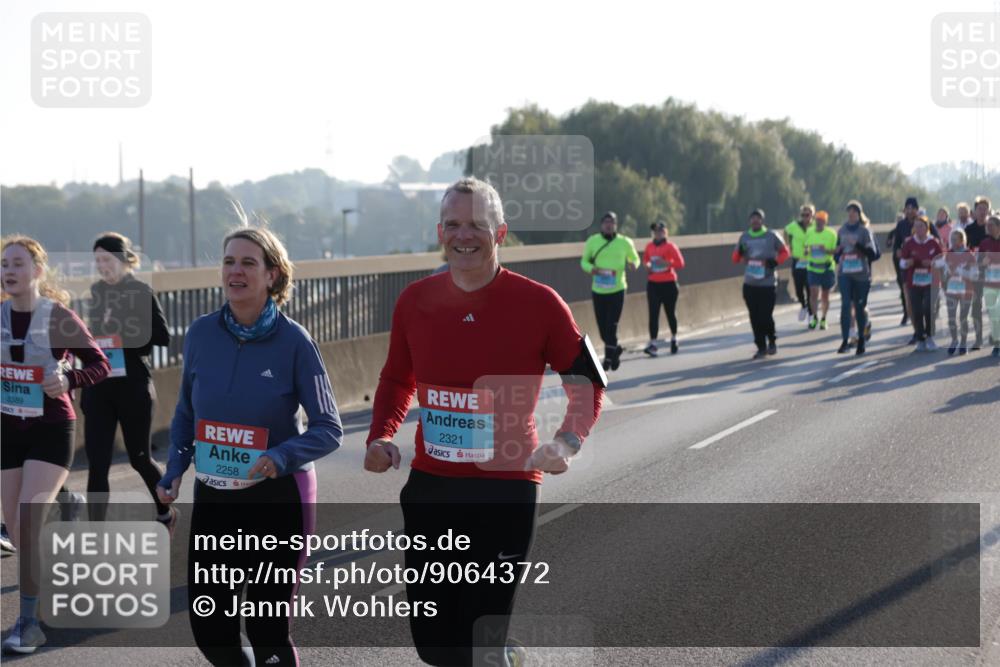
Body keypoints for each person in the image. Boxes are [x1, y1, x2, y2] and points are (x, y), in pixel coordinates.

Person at [364, 177, 605, 667]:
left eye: (477, 224)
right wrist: (381, 436)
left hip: (505, 491)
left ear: (500, 233)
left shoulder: (540, 303)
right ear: (440, 232)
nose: (464, 235)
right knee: (434, 646)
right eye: (453, 224)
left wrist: (566, 442)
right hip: (432, 487)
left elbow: (587, 383)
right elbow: (396, 379)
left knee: (476, 643)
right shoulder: (414, 301)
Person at [156, 220, 342, 666]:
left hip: (278, 498)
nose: (235, 271)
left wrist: (280, 456)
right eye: (228, 262)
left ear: (272, 274)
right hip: (216, 496)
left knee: (266, 628)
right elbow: (186, 413)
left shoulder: (294, 341)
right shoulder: (201, 333)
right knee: (212, 629)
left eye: (247, 263)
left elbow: (329, 427)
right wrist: (175, 469)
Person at [1, 236, 111, 654]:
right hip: (7, 429)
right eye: (4, 264)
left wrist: (68, 379)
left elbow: (99, 364)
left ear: (37, 270)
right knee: (17, 531)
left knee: (27, 521)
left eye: (18, 263)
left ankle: (29, 622)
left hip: (51, 427)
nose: (9, 271)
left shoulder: (58, 317)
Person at [82, 233, 173, 526]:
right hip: (100, 386)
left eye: (106, 259)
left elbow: (162, 336)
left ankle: (166, 512)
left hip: (132, 385)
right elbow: (95, 334)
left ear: (122, 259)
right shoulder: (97, 291)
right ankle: (95, 532)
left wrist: (122, 338)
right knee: (98, 463)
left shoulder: (140, 290)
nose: (101, 266)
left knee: (140, 458)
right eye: (97, 261)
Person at [580, 211, 640, 371]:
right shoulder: (593, 241)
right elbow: (584, 262)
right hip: (598, 290)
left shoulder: (625, 242)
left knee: (612, 326)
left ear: (615, 225)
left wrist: (634, 264)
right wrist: (591, 269)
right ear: (601, 225)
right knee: (603, 330)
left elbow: (635, 258)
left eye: (611, 222)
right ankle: (615, 350)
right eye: (606, 222)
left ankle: (607, 360)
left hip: (618, 289)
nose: (608, 225)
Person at [732, 209, 789, 359]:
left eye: (758, 218)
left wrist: (773, 262)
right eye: (753, 218)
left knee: (765, 315)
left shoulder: (771, 235)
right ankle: (761, 347)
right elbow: (735, 258)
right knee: (754, 316)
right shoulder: (745, 237)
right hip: (750, 283)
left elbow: (785, 252)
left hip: (767, 283)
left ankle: (772, 340)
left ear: (762, 220)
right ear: (749, 221)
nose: (755, 221)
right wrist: (740, 253)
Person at [836, 201, 880, 355]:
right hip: (845, 273)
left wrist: (857, 245)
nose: (851, 213)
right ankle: (845, 340)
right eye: (849, 211)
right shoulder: (841, 230)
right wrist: (838, 254)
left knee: (860, 308)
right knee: (845, 305)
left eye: (854, 211)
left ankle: (861, 339)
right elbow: (837, 253)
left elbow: (872, 254)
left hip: (861, 275)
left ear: (859, 214)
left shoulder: (864, 231)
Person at [899, 215, 944, 351]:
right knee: (917, 310)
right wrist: (908, 263)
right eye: (916, 226)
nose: (918, 229)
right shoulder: (909, 243)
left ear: (927, 228)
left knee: (928, 308)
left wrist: (932, 263)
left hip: (930, 281)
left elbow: (942, 261)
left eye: (921, 226)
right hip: (914, 282)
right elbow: (902, 262)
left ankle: (929, 336)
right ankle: (920, 338)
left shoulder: (933, 242)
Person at [642, 221, 686, 356]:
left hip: (669, 284)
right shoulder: (649, 246)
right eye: (656, 231)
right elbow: (645, 260)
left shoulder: (671, 246)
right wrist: (647, 266)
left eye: (661, 231)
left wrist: (666, 263)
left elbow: (680, 263)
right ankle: (653, 344)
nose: (658, 233)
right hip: (653, 284)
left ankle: (674, 338)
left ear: (665, 232)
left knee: (670, 313)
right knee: (653, 314)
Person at [938, 228, 976, 355]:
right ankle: (954, 340)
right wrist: (944, 285)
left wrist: (960, 271)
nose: (952, 242)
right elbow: (944, 273)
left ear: (962, 240)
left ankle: (963, 343)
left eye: (955, 239)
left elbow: (974, 275)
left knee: (963, 317)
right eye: (951, 239)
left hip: (966, 290)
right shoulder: (948, 254)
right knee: (951, 317)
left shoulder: (969, 255)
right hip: (952, 290)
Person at [964, 196, 990, 350]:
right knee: (976, 306)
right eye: (980, 209)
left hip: (992, 273)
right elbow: (963, 250)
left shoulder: (994, 228)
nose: (982, 212)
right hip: (975, 273)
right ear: (974, 211)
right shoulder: (969, 229)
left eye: (985, 209)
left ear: (988, 211)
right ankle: (978, 339)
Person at [804, 210, 838, 330]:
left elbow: (836, 251)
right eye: (817, 220)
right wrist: (806, 251)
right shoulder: (809, 231)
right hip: (813, 267)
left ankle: (824, 319)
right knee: (813, 293)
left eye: (822, 221)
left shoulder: (831, 234)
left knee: (825, 295)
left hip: (826, 268)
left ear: (825, 222)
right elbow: (806, 246)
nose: (819, 223)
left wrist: (826, 251)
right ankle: (814, 317)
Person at [784, 205, 815, 324]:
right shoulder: (794, 226)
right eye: (803, 215)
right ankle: (804, 305)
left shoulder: (815, 226)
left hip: (811, 260)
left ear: (812, 215)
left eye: (807, 215)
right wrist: (788, 246)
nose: (805, 217)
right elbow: (785, 231)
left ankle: (811, 314)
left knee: (810, 288)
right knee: (798, 289)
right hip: (797, 260)